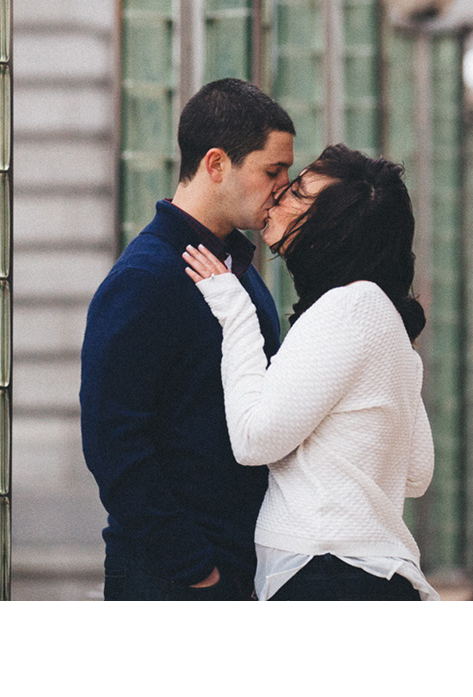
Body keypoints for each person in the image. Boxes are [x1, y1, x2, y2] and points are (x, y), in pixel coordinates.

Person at [182, 143, 436, 601]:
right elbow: (415, 473)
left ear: (332, 228)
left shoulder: (348, 308)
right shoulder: (384, 320)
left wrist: (234, 309)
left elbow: (253, 439)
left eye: (299, 192)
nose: (280, 195)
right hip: (368, 573)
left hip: (327, 573)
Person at [80, 78, 296, 600]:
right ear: (217, 164)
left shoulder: (240, 271)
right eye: (273, 170)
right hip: (174, 579)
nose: (284, 187)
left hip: (233, 569)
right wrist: (196, 567)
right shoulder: (146, 278)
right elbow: (114, 442)